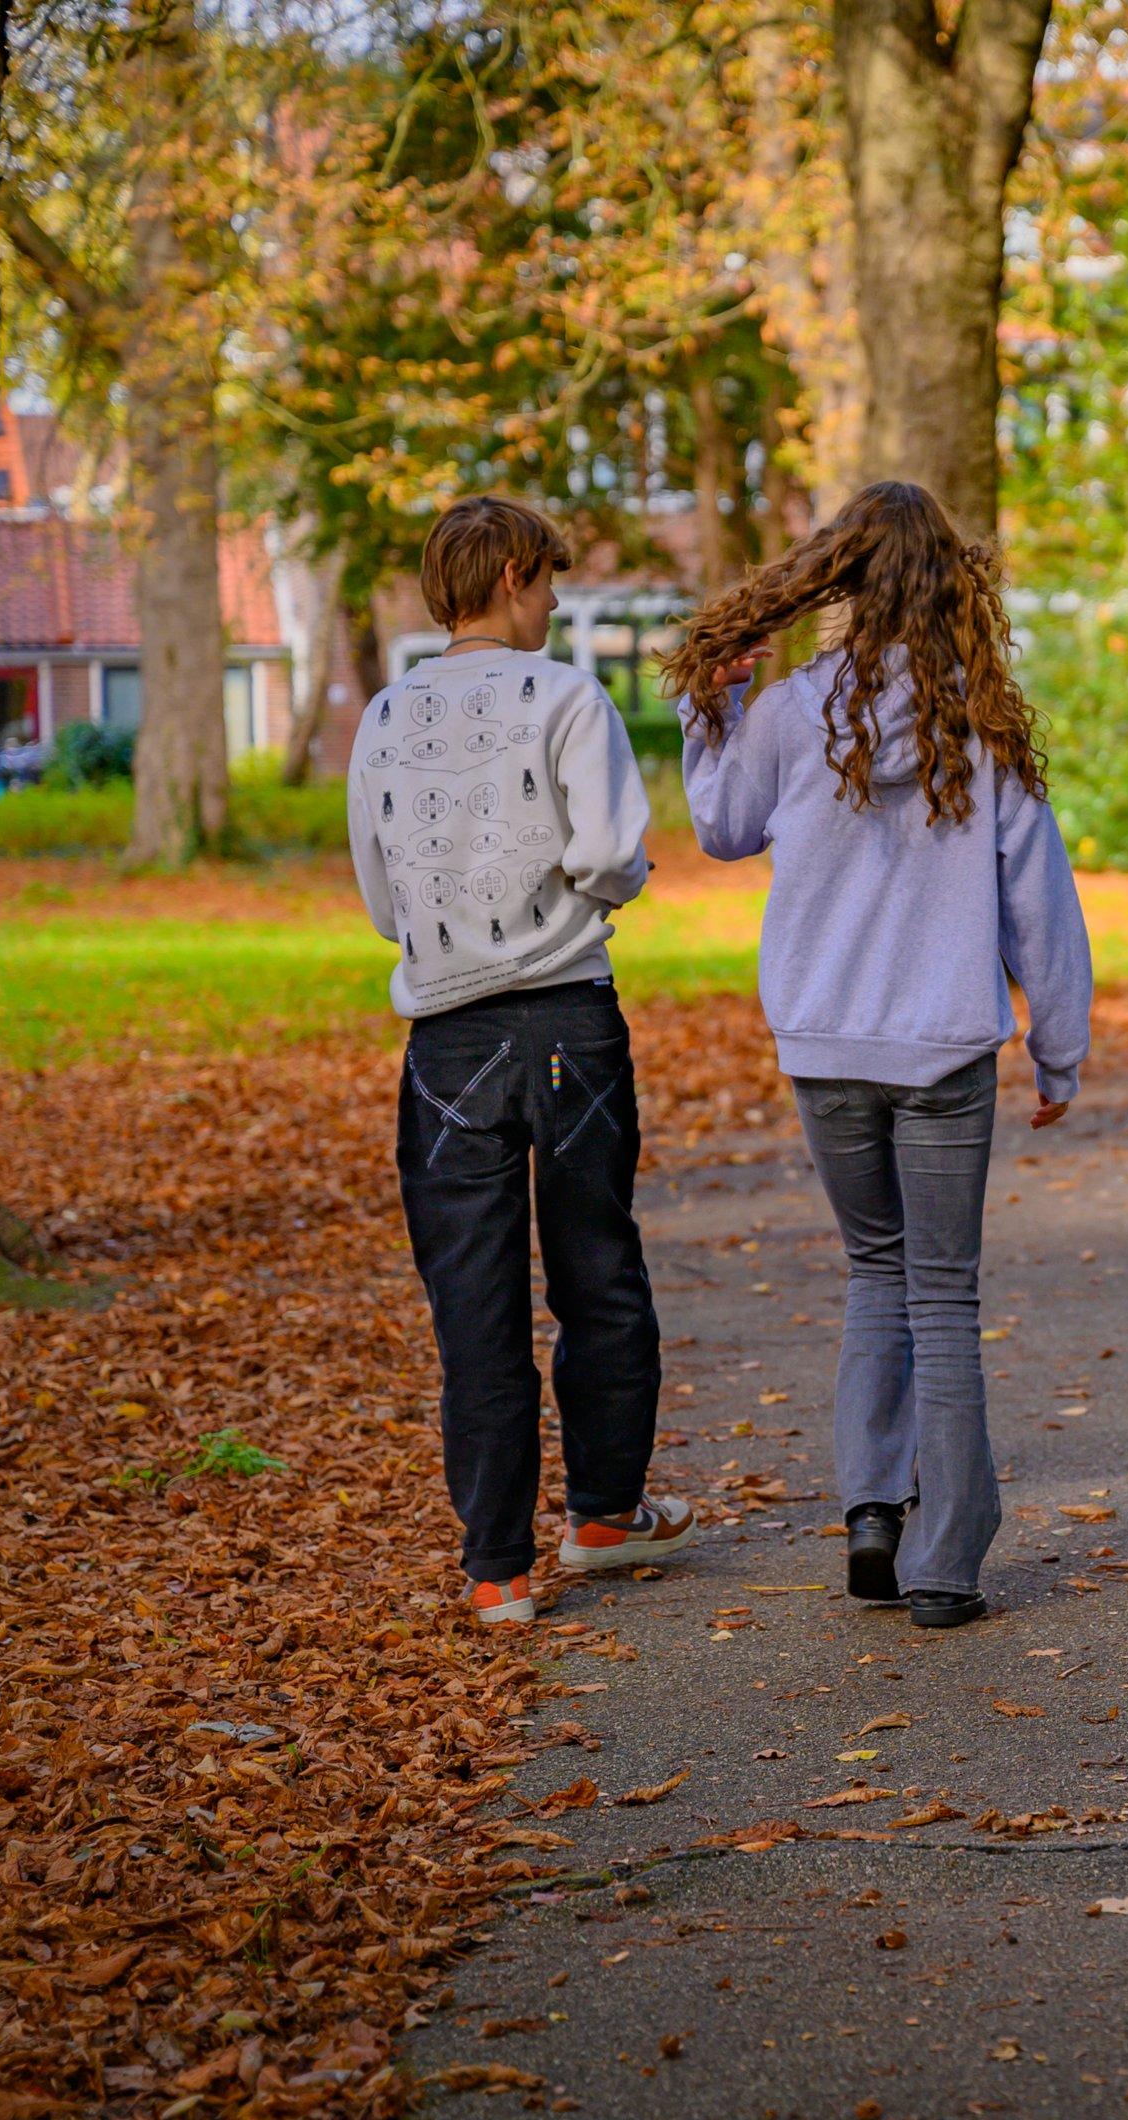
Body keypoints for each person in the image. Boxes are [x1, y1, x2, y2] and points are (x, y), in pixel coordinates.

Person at [663, 480, 1092, 1631]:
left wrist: (715, 708)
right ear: (953, 584)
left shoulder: (790, 712)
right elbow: (1041, 903)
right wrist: (1059, 1047)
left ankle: (868, 1515)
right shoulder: (982, 721)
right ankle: (945, 1562)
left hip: (826, 1043)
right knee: (942, 1293)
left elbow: (721, 828)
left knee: (875, 1268)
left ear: (840, 579)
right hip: (945, 1045)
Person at [349, 496, 692, 1627]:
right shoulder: (566, 698)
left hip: (448, 1034)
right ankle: (602, 1513)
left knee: (474, 1296)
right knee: (596, 1268)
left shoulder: (385, 716)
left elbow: (383, 899)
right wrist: (593, 897)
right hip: (565, 1021)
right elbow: (610, 852)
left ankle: (496, 1569)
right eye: (546, 581)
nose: (551, 603)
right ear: (509, 575)